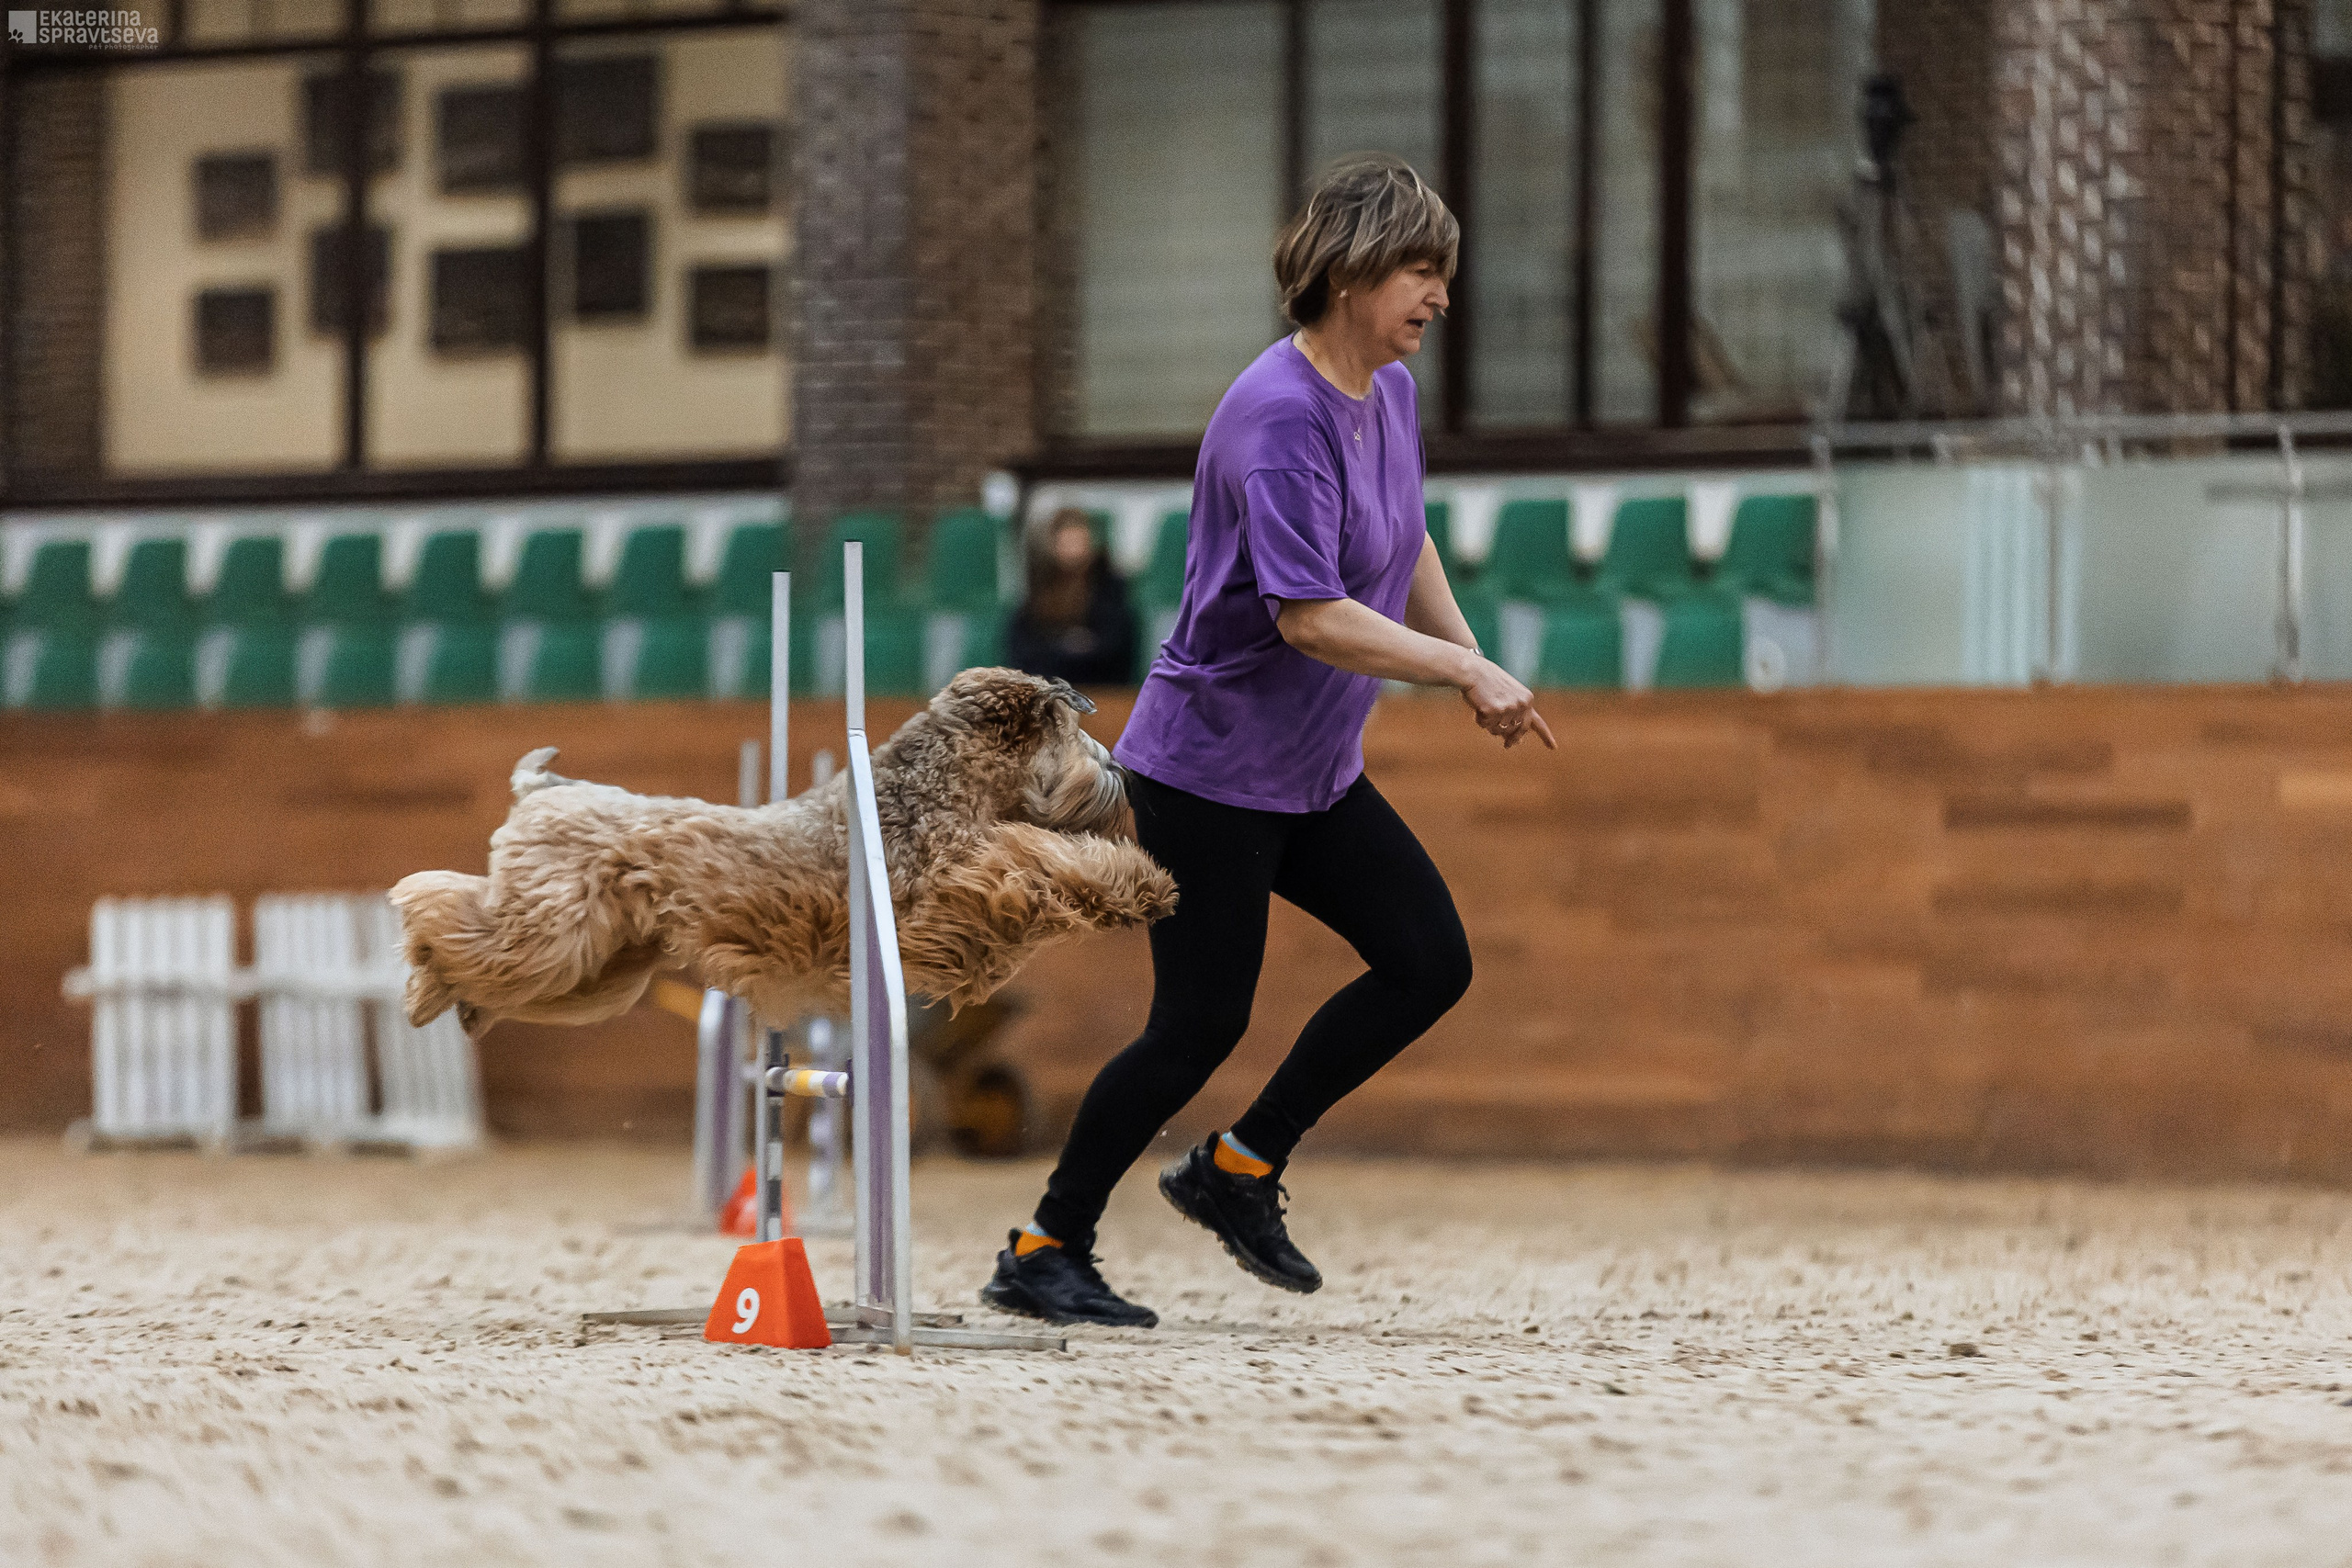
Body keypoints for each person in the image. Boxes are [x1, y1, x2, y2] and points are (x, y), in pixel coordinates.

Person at [980, 154, 1555, 1327]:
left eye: (1443, 273)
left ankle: (1237, 1168)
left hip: (1310, 770)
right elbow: (1308, 615)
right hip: (1209, 770)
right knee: (1198, 1023)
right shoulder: (1277, 417)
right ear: (1347, 273)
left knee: (1427, 962)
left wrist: (1469, 653)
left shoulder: (1385, 389)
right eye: (1418, 270)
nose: (1440, 296)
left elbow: (1404, 539)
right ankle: (1044, 1246)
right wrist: (1459, 668)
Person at [1003, 507, 1140, 687]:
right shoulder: (1042, 587)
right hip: (1048, 688)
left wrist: (1071, 650)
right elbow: (1023, 648)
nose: (1074, 551)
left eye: (1079, 542)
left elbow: (1114, 647)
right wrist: (1065, 648)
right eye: (1066, 543)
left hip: (1098, 688)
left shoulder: (1108, 585)